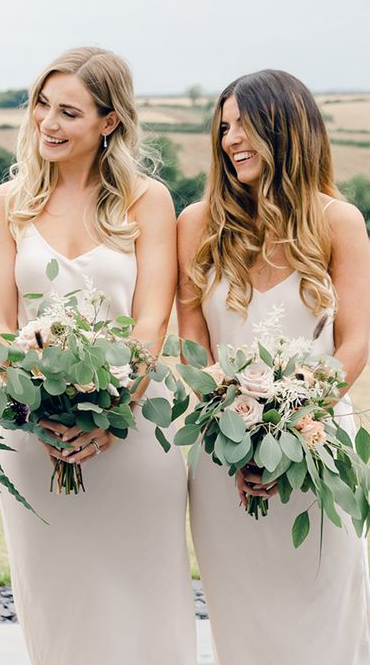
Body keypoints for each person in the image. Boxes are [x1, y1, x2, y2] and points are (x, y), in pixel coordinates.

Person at [0, 47, 196, 664]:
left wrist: (112, 411)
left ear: (109, 123)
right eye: (41, 105)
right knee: (56, 599)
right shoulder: (7, 203)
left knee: (142, 595)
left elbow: (152, 319)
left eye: (69, 111)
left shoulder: (147, 200)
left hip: (133, 430)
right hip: (31, 430)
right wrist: (30, 391)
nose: (47, 121)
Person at [178, 69, 370, 663]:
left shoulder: (339, 221)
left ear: (286, 129)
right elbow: (192, 348)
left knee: (322, 617)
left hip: (317, 448)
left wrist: (291, 425)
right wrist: (238, 435)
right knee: (244, 623)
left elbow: (357, 340)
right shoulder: (197, 223)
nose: (230, 138)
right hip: (220, 452)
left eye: (245, 125)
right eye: (225, 126)